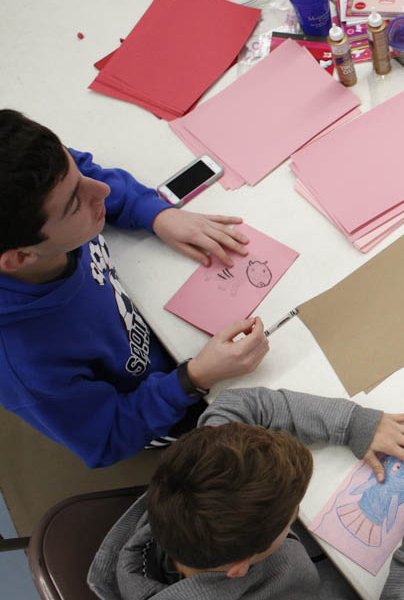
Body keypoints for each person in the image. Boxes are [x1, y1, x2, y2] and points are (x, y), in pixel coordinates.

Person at [88, 387, 404, 600]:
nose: (296, 513)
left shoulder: (195, 472)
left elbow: (235, 405)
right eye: (291, 516)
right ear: (241, 568)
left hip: (323, 571)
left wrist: (354, 424)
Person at [0, 109, 269, 468]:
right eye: (76, 204)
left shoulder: (36, 186)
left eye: (78, 176)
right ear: (19, 258)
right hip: (165, 406)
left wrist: (153, 212)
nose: (103, 191)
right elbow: (108, 437)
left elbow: (80, 171)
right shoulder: (26, 363)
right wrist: (194, 379)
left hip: (164, 336)